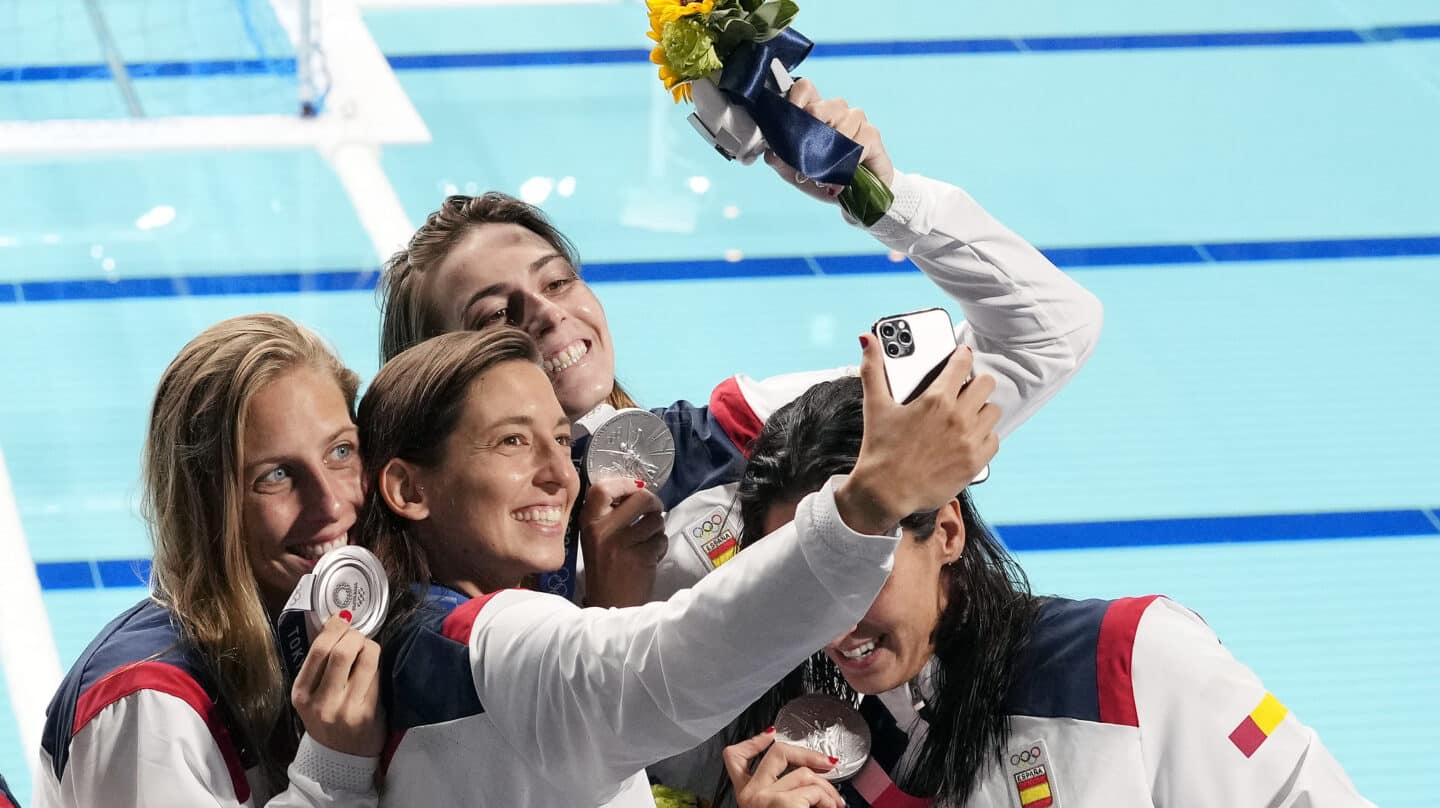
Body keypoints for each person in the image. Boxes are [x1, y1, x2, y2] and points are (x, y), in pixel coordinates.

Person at [375, 79, 1104, 611]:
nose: (545, 315)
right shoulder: (413, 594)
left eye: (558, 281)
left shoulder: (737, 438)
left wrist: (884, 200)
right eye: (496, 316)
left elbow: (1047, 333)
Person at [354, 326, 997, 806]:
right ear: (410, 490)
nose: (558, 473)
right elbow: (668, 665)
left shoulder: (419, 636)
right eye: (512, 441)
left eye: (558, 438)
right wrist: (869, 505)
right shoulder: (454, 644)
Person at [718, 370, 1376, 807]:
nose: (833, 627)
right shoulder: (808, 757)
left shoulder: (1128, 663)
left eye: (858, 576)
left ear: (947, 530)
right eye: (803, 587)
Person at [35, 315, 385, 808]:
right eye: (277, 475)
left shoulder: (321, 628)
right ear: (203, 508)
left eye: (341, 451)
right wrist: (333, 768)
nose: (329, 504)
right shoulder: (147, 705)